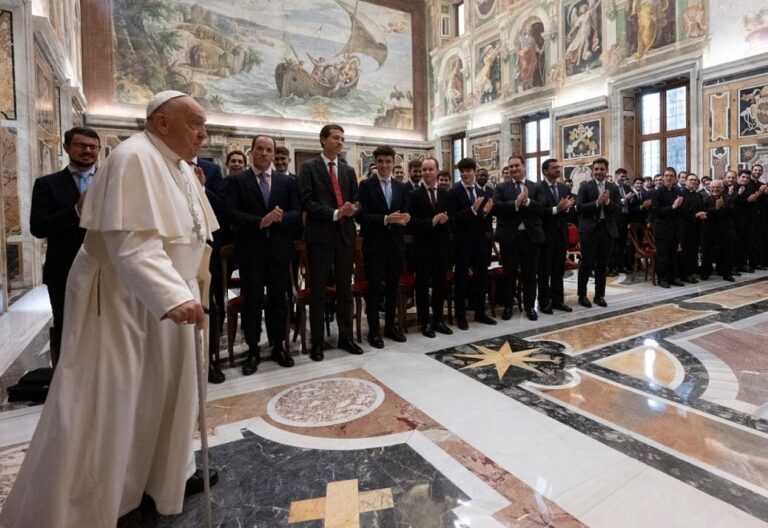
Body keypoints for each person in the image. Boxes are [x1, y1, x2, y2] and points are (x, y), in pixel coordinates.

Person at [1, 91, 219, 527]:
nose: (203, 134)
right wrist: (172, 296)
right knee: (115, 401)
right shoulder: (134, 158)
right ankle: (102, 500)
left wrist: (183, 289)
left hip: (165, 302)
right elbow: (131, 242)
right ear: (161, 123)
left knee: (165, 394)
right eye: (195, 123)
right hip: (125, 304)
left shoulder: (177, 166)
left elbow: (193, 234)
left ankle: (164, 478)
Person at [224, 135, 300, 375]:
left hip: (278, 250)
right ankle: (254, 348)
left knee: (279, 300)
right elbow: (231, 213)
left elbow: (297, 212)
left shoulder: (285, 182)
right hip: (251, 251)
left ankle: (278, 346)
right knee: (253, 301)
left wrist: (279, 218)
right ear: (252, 151)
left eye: (269, 150)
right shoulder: (238, 181)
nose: (265, 153)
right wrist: (260, 222)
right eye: (260, 149)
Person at [29, 126, 100, 366]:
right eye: (81, 145)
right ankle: (67, 381)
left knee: (105, 327)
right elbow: (38, 227)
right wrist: (76, 211)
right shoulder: (47, 184)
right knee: (67, 326)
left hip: (106, 270)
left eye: (93, 146)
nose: (88, 151)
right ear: (67, 147)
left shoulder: (110, 181)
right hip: (64, 270)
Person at [297, 123, 363, 361]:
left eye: (343, 139)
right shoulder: (308, 168)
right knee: (318, 292)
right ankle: (317, 344)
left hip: (345, 237)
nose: (340, 142)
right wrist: (335, 213)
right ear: (323, 140)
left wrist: (352, 208)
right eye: (336, 138)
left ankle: (346, 338)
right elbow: (307, 201)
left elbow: (357, 200)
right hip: (320, 238)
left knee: (345, 290)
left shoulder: (347, 170)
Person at [357, 145, 410, 347]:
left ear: (394, 162)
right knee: (374, 289)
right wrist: (385, 219)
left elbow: (405, 211)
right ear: (376, 163)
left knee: (392, 288)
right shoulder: (366, 186)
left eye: (388, 161)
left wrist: (405, 217)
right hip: (374, 246)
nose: (385, 165)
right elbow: (361, 216)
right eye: (381, 161)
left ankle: (390, 326)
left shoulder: (401, 187)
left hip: (395, 245)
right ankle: (374, 331)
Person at [493, 155, 545, 321]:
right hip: (510, 238)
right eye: (511, 167)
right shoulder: (501, 187)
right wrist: (515, 203)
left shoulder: (536, 187)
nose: (513, 169)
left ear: (524, 166)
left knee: (530, 274)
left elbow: (542, 207)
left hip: (530, 238)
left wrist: (527, 201)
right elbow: (497, 206)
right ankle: (508, 307)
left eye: (516, 166)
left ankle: (530, 307)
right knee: (510, 274)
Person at [409, 158, 455, 337]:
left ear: (437, 171)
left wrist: (447, 220)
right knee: (422, 288)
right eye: (424, 169)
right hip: (422, 248)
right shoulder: (415, 195)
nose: (427, 172)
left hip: (442, 248)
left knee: (440, 286)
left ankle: (438, 320)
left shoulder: (446, 194)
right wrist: (432, 221)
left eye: (430, 169)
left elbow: (454, 219)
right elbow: (412, 222)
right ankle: (425, 322)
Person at [452, 158, 496, 329]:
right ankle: (461, 316)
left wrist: (484, 213)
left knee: (480, 278)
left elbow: (483, 221)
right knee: (461, 280)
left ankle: (480, 312)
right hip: (462, 242)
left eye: (468, 171)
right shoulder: (454, 191)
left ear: (474, 172)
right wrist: (472, 210)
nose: (465, 174)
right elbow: (454, 219)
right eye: (462, 171)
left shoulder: (482, 192)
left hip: (479, 243)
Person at [576, 158, 620, 308]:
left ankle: (599, 295)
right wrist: (596, 203)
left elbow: (618, 209)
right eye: (596, 169)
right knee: (586, 264)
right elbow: (579, 207)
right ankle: (582, 295)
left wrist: (607, 202)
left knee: (603, 265)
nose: (598, 172)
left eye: (601, 169)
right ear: (592, 170)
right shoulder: (585, 186)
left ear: (606, 170)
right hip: (589, 230)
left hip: (606, 230)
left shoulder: (613, 188)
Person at [537, 158, 574, 314]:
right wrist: (556, 209)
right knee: (545, 271)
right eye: (554, 167)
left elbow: (570, 211)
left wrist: (566, 209)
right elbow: (538, 211)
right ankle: (544, 302)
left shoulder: (564, 188)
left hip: (561, 234)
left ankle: (558, 301)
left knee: (559, 271)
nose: (558, 169)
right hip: (545, 235)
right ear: (545, 171)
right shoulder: (538, 187)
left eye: (559, 167)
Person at [652, 167, 685, 288]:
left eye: (671, 176)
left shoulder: (678, 191)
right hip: (663, 230)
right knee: (663, 256)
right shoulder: (657, 192)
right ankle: (662, 279)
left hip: (675, 228)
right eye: (666, 176)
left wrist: (677, 208)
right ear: (663, 177)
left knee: (673, 255)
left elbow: (682, 210)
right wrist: (673, 207)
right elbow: (657, 211)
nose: (668, 178)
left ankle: (673, 277)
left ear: (675, 178)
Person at [700, 179, 736, 281]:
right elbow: (705, 212)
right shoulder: (705, 199)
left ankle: (727, 274)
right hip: (710, 231)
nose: (715, 189)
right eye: (713, 187)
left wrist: (723, 206)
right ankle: (705, 273)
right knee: (707, 254)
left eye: (718, 187)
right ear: (710, 189)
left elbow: (732, 210)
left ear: (722, 188)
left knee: (727, 254)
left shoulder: (728, 198)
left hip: (725, 231)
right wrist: (716, 208)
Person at [679, 173, 706, 283]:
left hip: (696, 228)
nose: (693, 182)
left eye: (695, 180)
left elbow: (702, 208)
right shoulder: (681, 194)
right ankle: (684, 275)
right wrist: (695, 215)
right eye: (691, 180)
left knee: (694, 252)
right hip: (685, 228)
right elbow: (680, 212)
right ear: (685, 181)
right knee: (686, 252)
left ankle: (691, 273)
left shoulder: (698, 195)